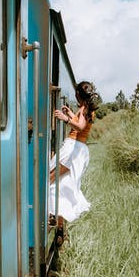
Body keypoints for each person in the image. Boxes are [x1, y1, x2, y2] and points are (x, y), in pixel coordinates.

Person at [48, 81, 100, 223]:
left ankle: (50, 216)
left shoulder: (84, 109)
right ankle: (58, 222)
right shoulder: (87, 108)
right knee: (62, 183)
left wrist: (65, 119)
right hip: (79, 149)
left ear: (78, 94)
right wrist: (71, 113)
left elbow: (80, 126)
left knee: (50, 179)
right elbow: (80, 121)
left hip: (73, 148)